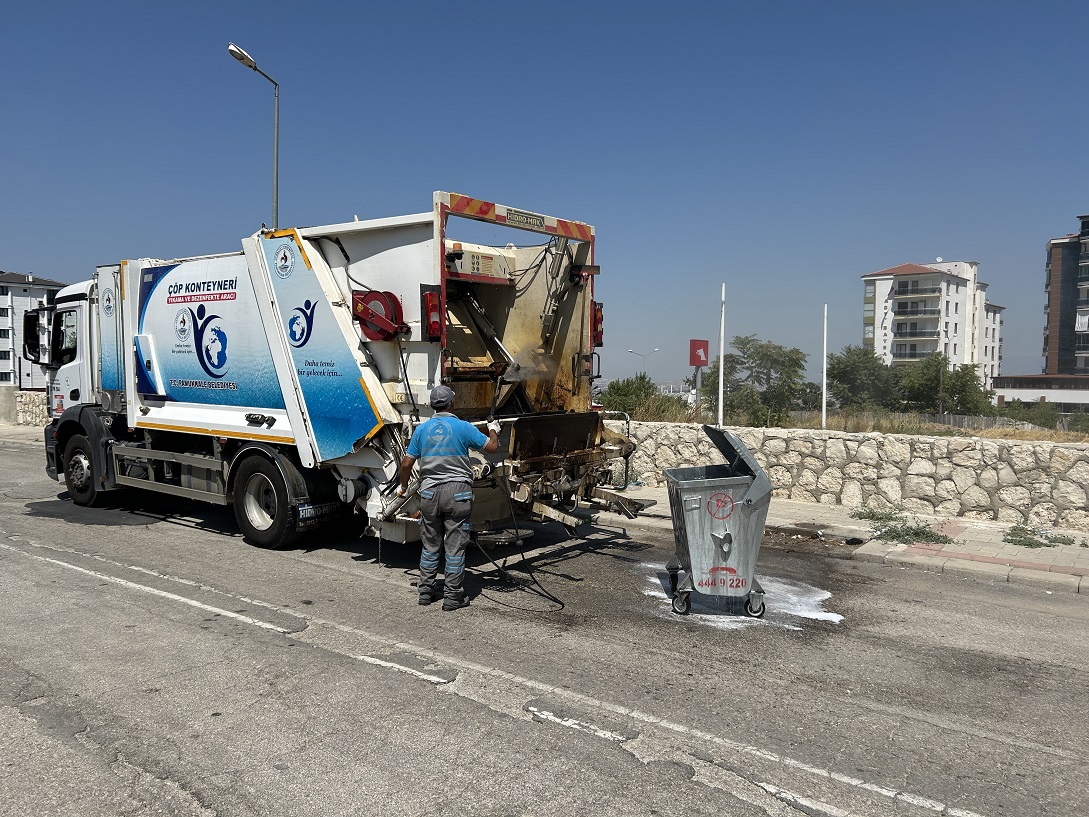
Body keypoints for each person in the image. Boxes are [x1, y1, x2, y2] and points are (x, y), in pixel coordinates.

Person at [399, 385, 500, 611]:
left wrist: (404, 486)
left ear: (432, 405)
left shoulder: (422, 430)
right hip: (458, 494)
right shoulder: (463, 427)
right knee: (454, 547)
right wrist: (493, 429)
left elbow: (406, 464)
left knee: (430, 545)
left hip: (429, 494)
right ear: (452, 403)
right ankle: (453, 596)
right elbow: (492, 447)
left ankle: (426, 591)